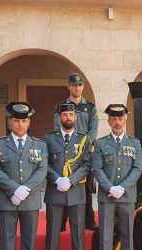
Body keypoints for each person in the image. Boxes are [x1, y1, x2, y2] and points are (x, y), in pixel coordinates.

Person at [0, 102, 47, 250]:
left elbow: (42, 169)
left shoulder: (39, 145)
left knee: (29, 240)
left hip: (29, 200)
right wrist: (15, 189)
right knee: (7, 240)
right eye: (16, 120)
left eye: (24, 120)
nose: (20, 125)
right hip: (6, 200)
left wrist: (26, 189)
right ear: (10, 121)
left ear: (29, 122)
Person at [41, 102, 91, 250]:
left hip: (76, 191)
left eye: (71, 114)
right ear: (59, 117)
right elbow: (44, 164)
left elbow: (87, 164)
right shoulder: (49, 139)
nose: (68, 117)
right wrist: (57, 179)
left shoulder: (83, 138)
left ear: (75, 117)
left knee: (78, 232)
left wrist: (71, 180)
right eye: (64, 115)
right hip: (55, 191)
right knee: (53, 231)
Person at [93, 104, 142, 250]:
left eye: (120, 118)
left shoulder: (135, 143)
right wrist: (110, 188)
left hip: (127, 195)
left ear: (125, 119)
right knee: (105, 233)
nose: (117, 122)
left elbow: (137, 169)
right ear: (108, 121)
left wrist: (122, 187)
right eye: (113, 119)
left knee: (127, 232)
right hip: (107, 196)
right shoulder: (100, 143)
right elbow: (97, 169)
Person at [54, 73, 98, 231]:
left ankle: (88, 220)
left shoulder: (90, 107)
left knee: (85, 188)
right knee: (64, 186)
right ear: (69, 86)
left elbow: (93, 130)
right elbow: (56, 128)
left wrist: (84, 145)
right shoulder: (61, 107)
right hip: (66, 153)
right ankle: (61, 222)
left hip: (84, 154)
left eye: (79, 85)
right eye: (73, 85)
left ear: (83, 87)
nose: (77, 88)